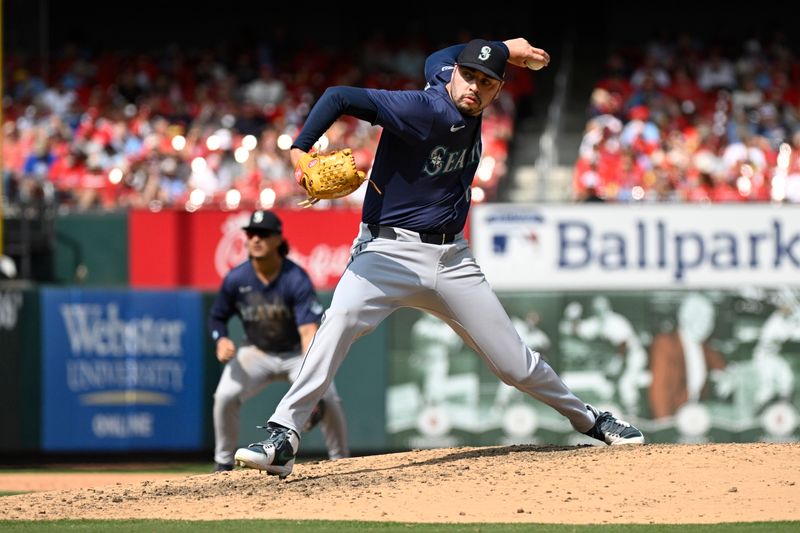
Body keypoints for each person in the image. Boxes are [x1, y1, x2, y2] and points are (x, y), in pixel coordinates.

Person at [235, 38, 643, 478]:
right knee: (339, 321)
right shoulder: (421, 108)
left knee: (514, 364)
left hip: (451, 259)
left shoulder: (449, 77)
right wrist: (300, 151)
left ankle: (591, 419)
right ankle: (284, 435)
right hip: (386, 253)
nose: (474, 87)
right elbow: (338, 97)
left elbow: (440, 58)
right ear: (454, 75)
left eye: (486, 82)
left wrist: (506, 47)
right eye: (468, 76)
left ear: (499, 90)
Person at [208, 210, 349, 472]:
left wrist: (312, 374)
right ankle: (223, 462)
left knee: (329, 397)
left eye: (263, 234)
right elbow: (217, 317)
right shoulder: (237, 278)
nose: (255, 239)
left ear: (277, 239)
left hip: (295, 353)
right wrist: (220, 339)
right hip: (256, 352)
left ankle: (339, 460)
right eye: (251, 234)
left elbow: (308, 332)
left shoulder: (294, 277)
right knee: (225, 395)